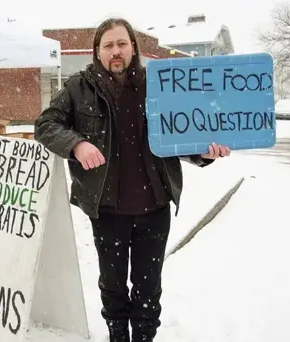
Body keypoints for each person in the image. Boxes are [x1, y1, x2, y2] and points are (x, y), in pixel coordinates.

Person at [34, 18, 231, 342]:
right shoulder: (77, 88)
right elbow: (46, 124)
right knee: (112, 285)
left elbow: (181, 132)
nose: (116, 51)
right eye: (108, 45)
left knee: (148, 287)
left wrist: (204, 153)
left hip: (154, 208)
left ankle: (143, 337)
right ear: (97, 51)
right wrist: (77, 144)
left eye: (121, 44)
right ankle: (118, 336)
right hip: (107, 211)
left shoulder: (159, 85)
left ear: (133, 48)